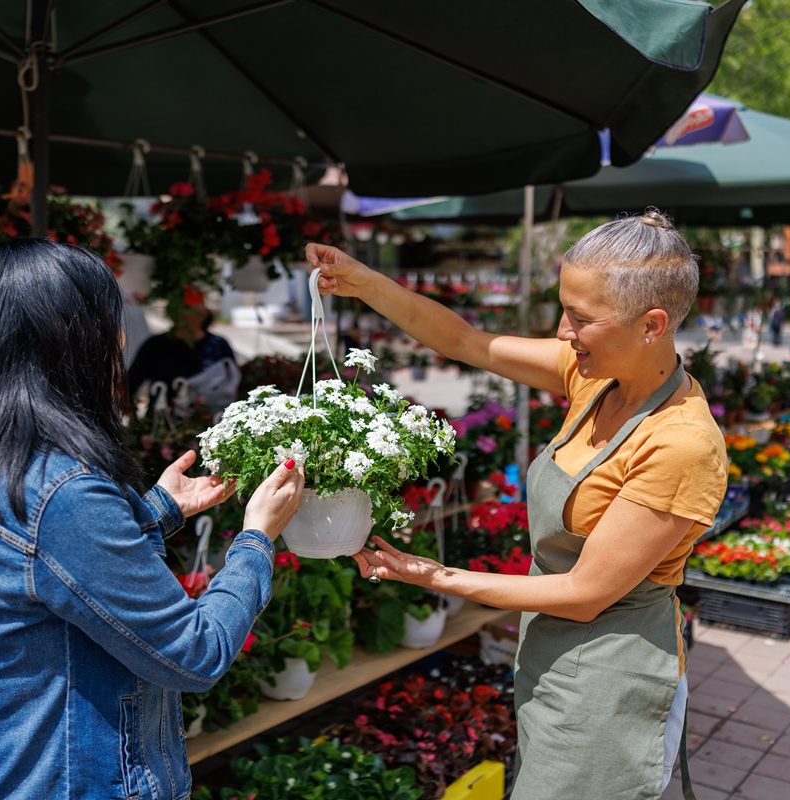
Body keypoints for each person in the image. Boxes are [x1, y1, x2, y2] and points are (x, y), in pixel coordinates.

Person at [307, 210, 727, 800]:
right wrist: (363, 282)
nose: (562, 331)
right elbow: (463, 341)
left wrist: (435, 575)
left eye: (581, 317)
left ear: (652, 324)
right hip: (553, 654)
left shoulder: (681, 444)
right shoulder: (596, 377)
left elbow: (584, 594)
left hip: (611, 675)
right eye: (563, 308)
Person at [0, 239, 304, 800]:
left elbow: (37, 567)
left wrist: (158, 508)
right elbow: (195, 655)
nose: (121, 340)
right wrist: (256, 538)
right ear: (71, 340)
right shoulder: (61, 491)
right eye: (110, 322)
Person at [127, 287, 237, 403]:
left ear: (203, 313)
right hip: (162, 418)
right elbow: (130, 385)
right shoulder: (154, 345)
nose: (181, 315)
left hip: (209, 418)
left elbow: (233, 384)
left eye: (187, 308)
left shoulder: (219, 345)